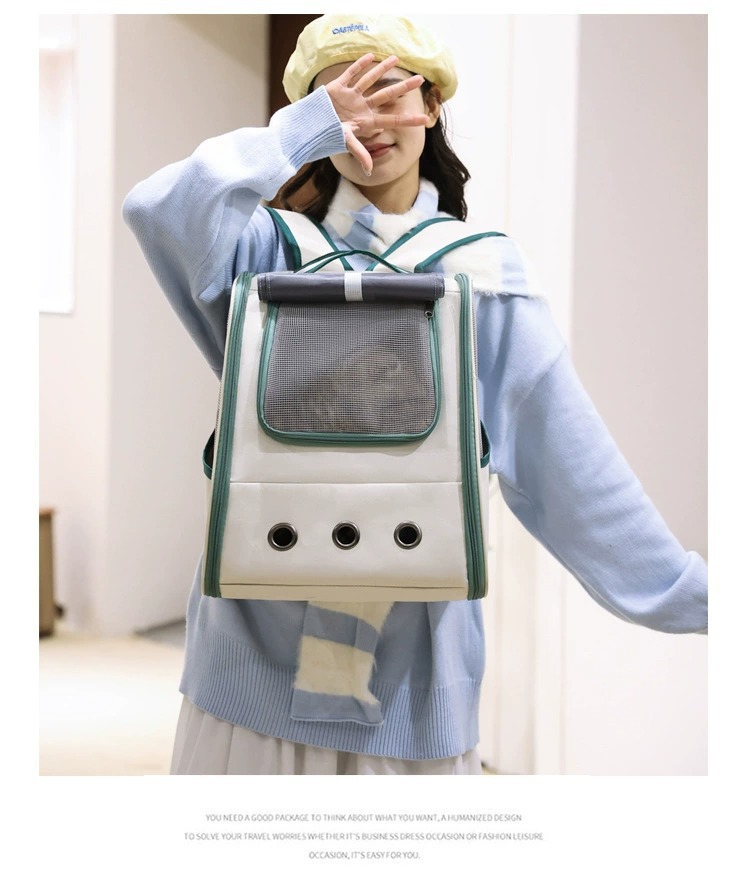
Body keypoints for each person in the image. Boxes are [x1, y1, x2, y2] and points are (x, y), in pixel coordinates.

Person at [122, 14, 708, 776]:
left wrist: (695, 594)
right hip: (248, 672)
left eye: (389, 89)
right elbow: (158, 208)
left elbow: (572, 468)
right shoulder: (268, 252)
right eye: (342, 96)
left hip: (407, 691)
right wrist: (300, 130)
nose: (366, 116)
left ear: (431, 105)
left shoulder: (485, 278)